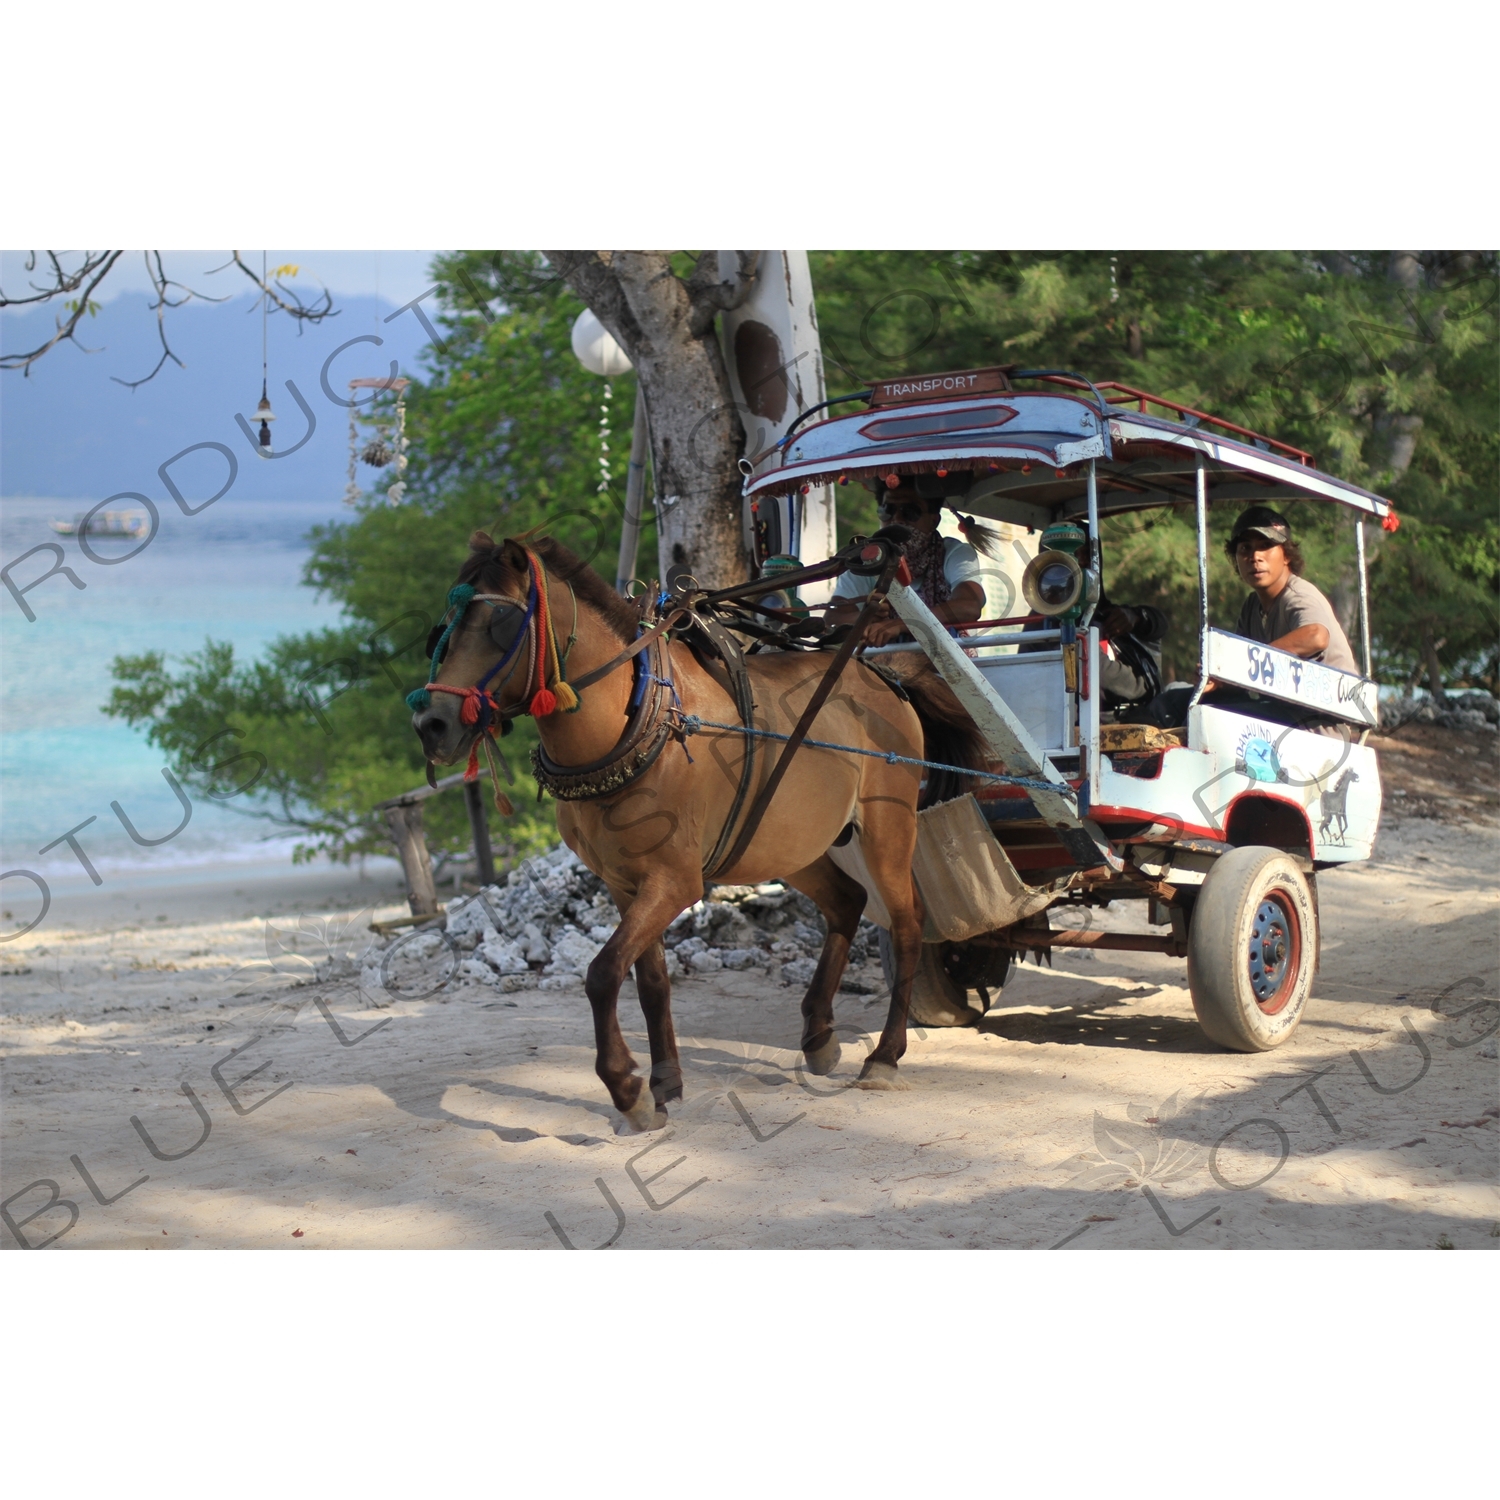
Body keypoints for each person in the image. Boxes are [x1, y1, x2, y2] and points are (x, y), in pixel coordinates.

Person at [826, 476, 995, 647]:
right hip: (879, 666)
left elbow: (969, 606)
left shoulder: (954, 553)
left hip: (948, 668)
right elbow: (831, 619)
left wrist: (899, 624)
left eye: (910, 512)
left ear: (933, 521)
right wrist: (866, 615)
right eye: (888, 510)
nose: (897, 519)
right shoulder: (867, 560)